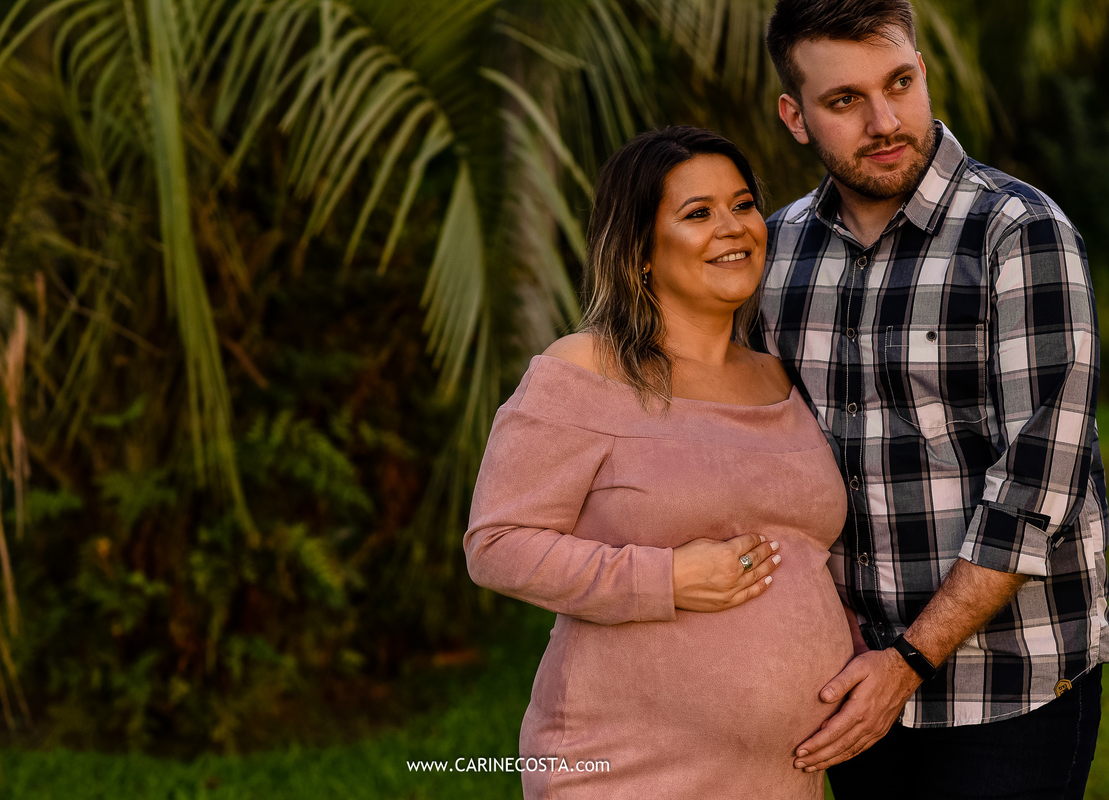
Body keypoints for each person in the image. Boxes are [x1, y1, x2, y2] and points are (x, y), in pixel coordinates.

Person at [759, 1, 1109, 797]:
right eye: (844, 100)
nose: (885, 122)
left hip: (1012, 686)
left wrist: (909, 661)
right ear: (796, 117)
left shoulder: (1019, 232)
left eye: (899, 83)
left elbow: (1037, 487)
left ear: (922, 71)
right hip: (847, 683)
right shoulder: (777, 254)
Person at [464, 126, 858, 799]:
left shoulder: (780, 377)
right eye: (698, 213)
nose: (733, 228)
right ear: (640, 251)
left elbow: (807, 555)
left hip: (780, 779)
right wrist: (666, 578)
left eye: (742, 205)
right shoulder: (585, 369)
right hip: (627, 767)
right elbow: (495, 544)